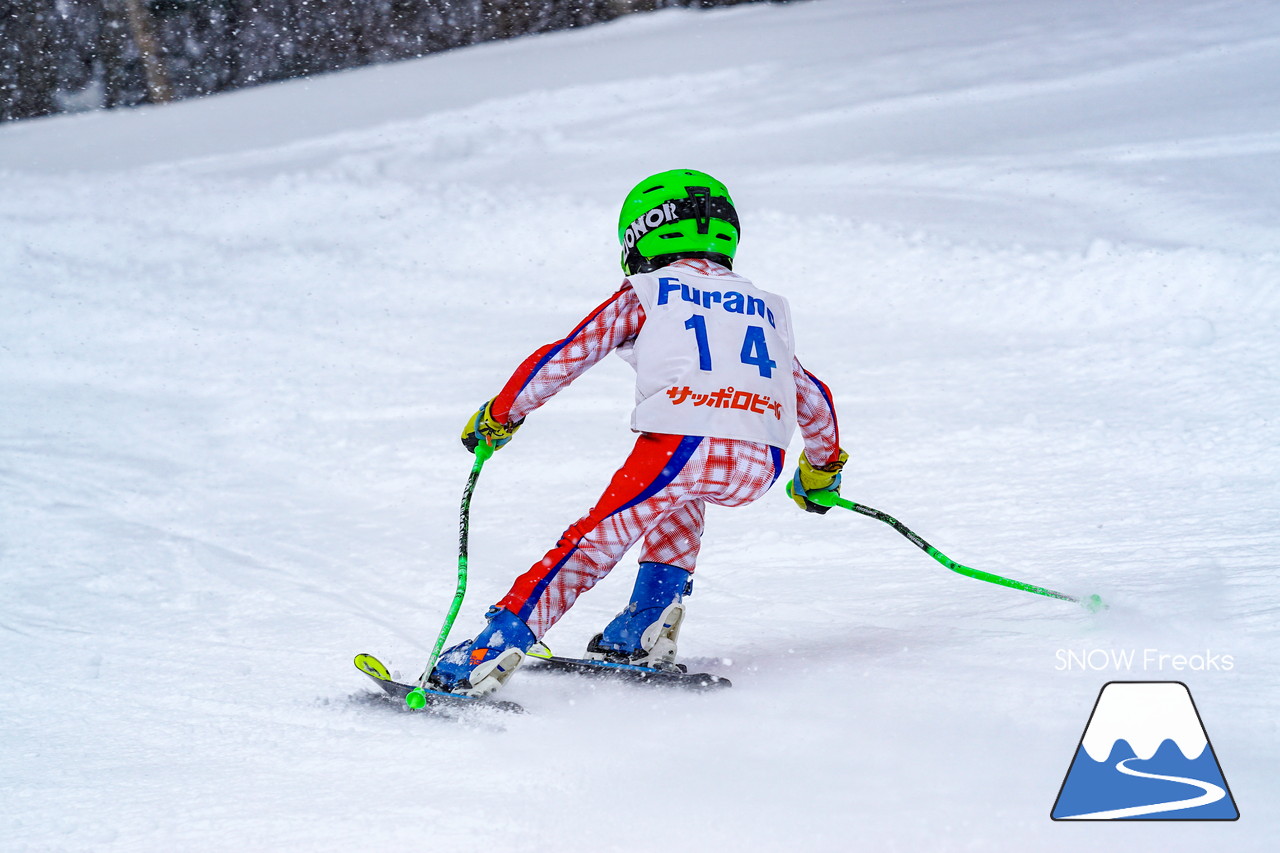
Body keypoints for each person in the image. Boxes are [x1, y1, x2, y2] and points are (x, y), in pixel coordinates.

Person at [428, 169, 846, 696]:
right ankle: (646, 627)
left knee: (593, 541)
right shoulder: (767, 307)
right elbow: (812, 393)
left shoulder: (649, 290)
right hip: (762, 457)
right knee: (681, 502)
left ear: (641, 233)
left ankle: (492, 649)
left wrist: (502, 413)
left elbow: (567, 354)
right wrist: (822, 469)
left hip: (680, 443)